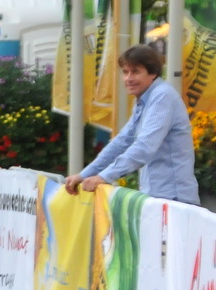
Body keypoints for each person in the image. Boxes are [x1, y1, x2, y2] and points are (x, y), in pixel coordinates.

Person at [64, 44, 198, 205]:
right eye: (125, 72)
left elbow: (145, 147)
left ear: (153, 73)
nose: (128, 78)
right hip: (158, 197)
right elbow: (122, 141)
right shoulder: (144, 99)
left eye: (135, 72)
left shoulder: (162, 96)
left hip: (174, 199)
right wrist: (84, 175)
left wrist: (103, 177)